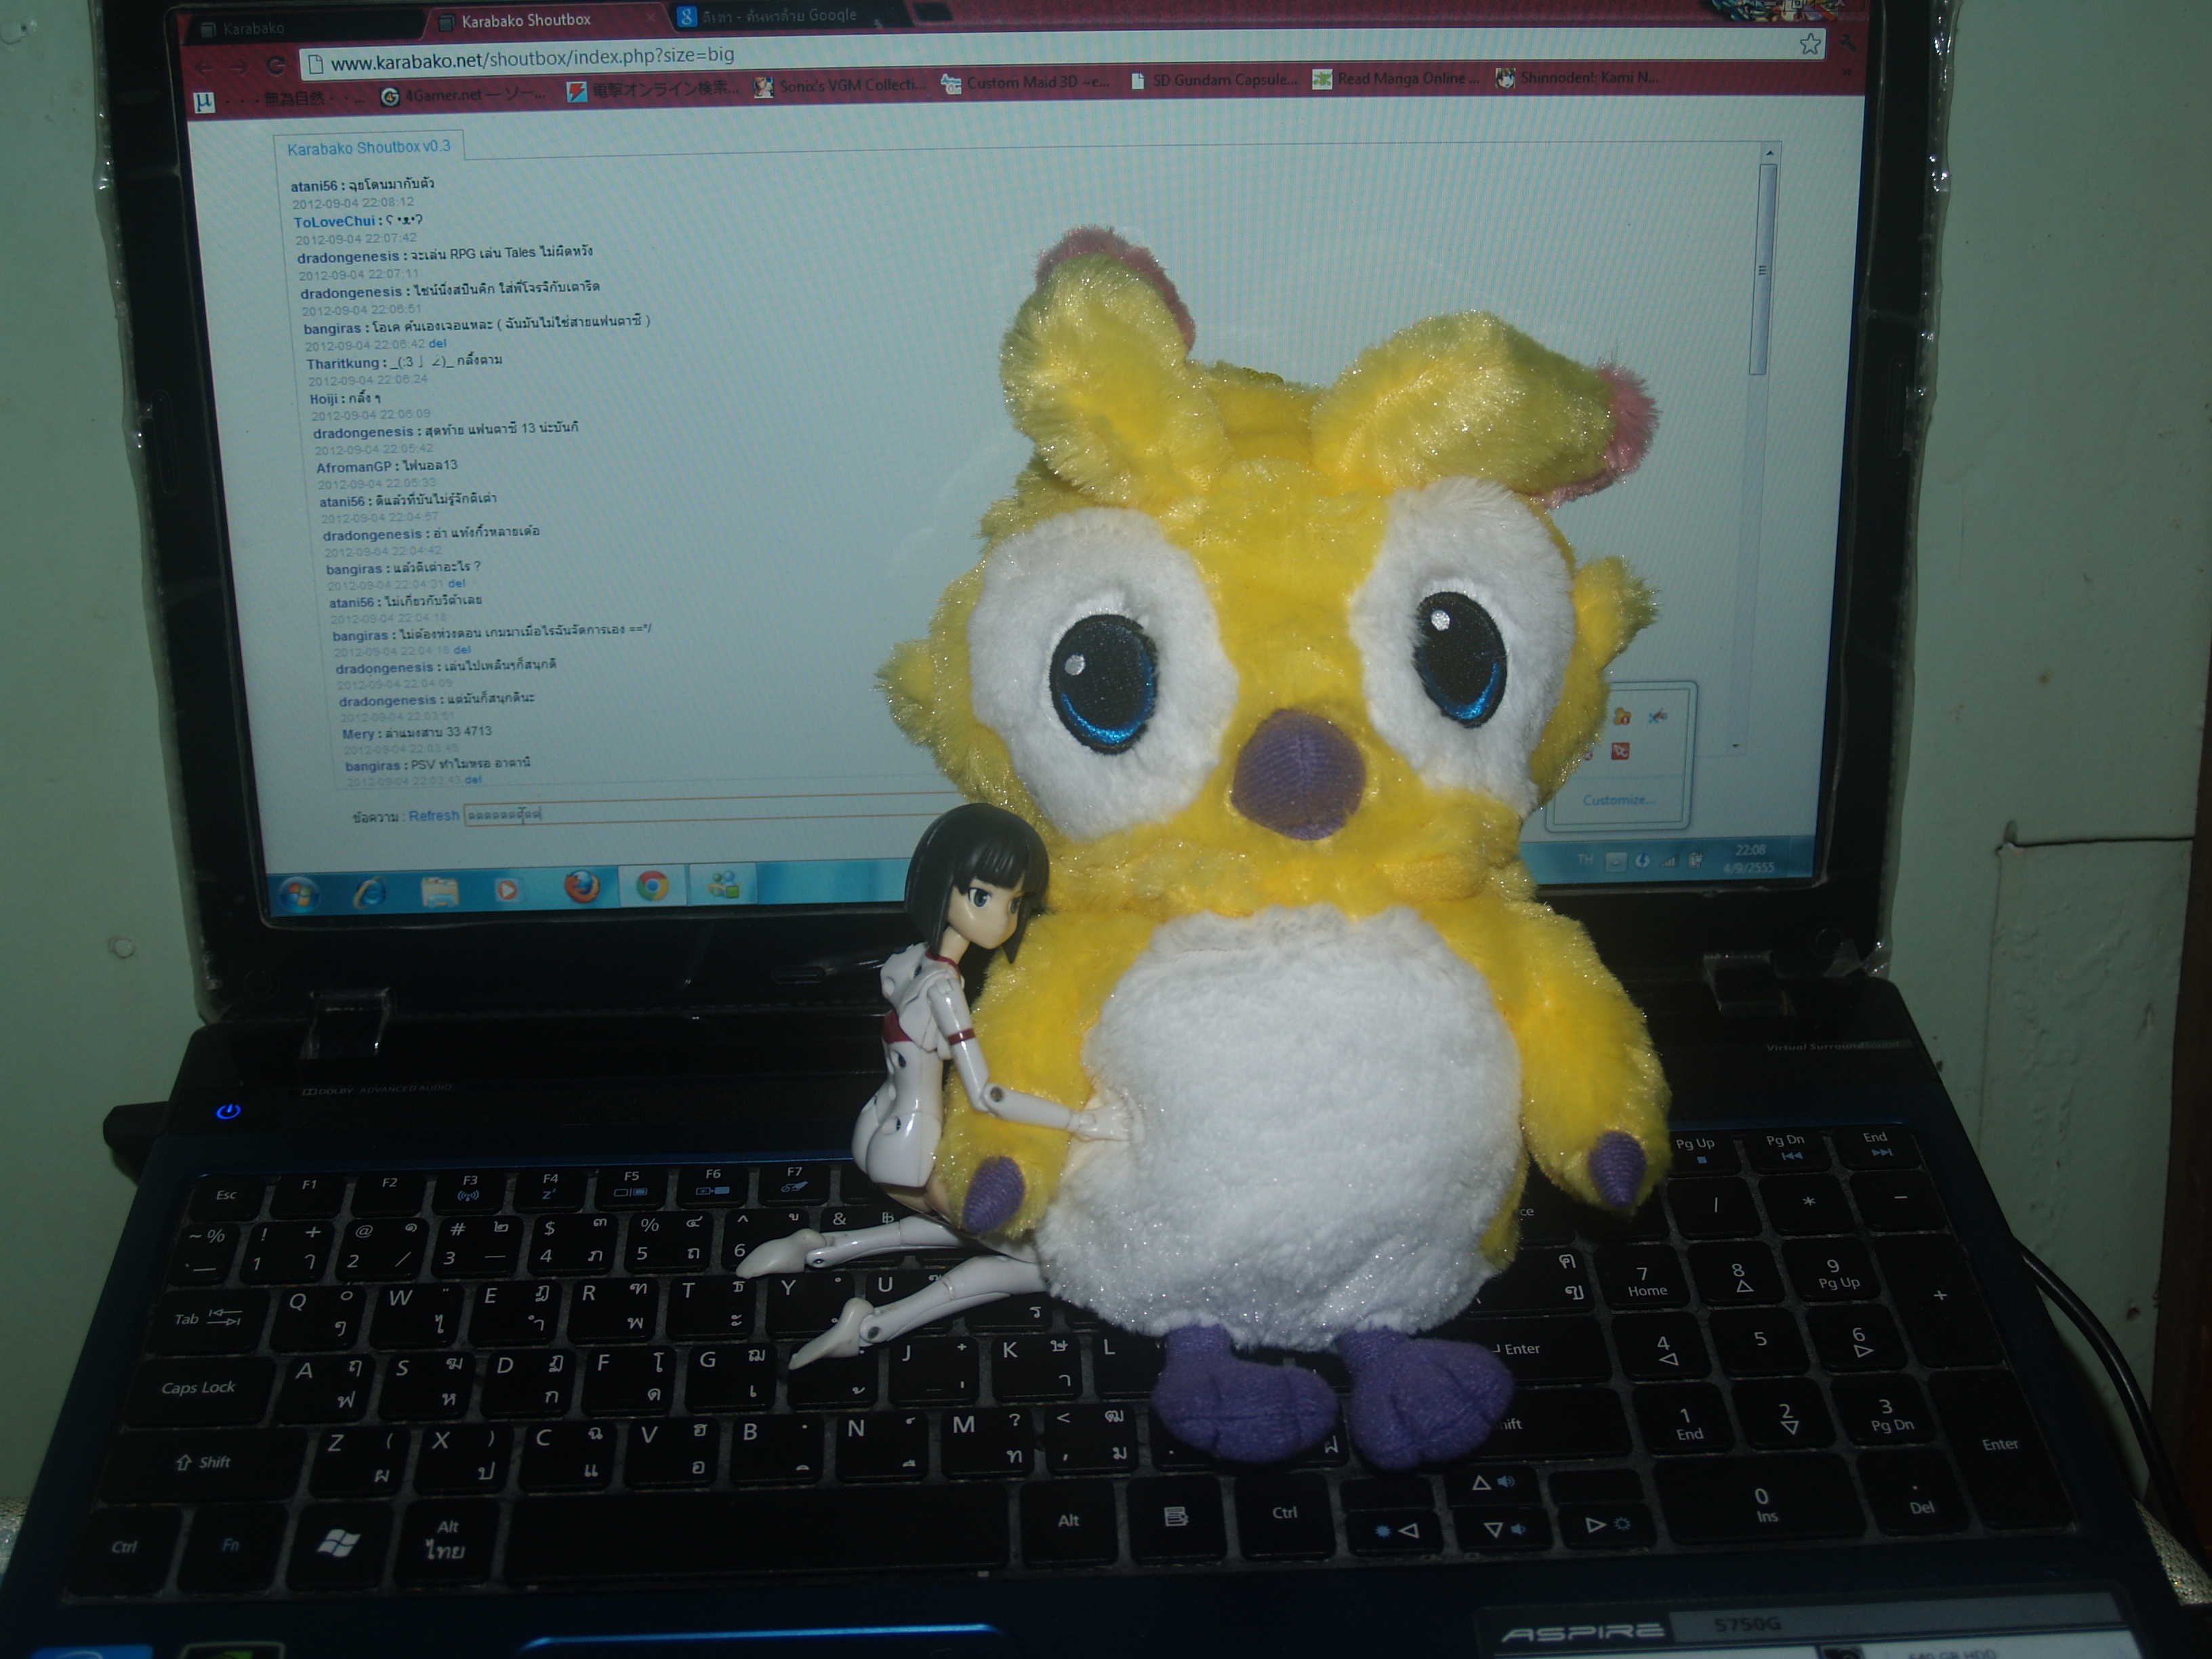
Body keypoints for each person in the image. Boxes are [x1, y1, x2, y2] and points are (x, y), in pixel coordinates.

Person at [737, 804, 1126, 1363]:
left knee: (961, 1231)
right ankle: (874, 1327)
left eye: (1015, 903)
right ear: (943, 884)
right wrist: (1084, 1121)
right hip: (918, 1148)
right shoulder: (945, 991)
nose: (1003, 919)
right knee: (1041, 1264)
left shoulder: (910, 962)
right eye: (983, 897)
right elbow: (987, 1095)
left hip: (877, 1124)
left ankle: (819, 1247)